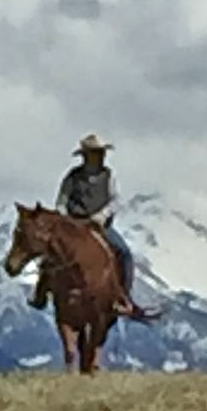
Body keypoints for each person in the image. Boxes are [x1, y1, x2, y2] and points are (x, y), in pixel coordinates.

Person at [35, 134, 153, 319]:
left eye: (101, 153)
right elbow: (62, 200)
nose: (101, 156)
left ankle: (123, 297)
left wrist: (100, 216)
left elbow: (115, 201)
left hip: (99, 225)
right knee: (49, 254)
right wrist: (65, 218)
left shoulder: (109, 176)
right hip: (73, 223)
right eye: (96, 153)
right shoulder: (73, 176)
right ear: (86, 155)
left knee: (124, 253)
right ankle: (40, 293)